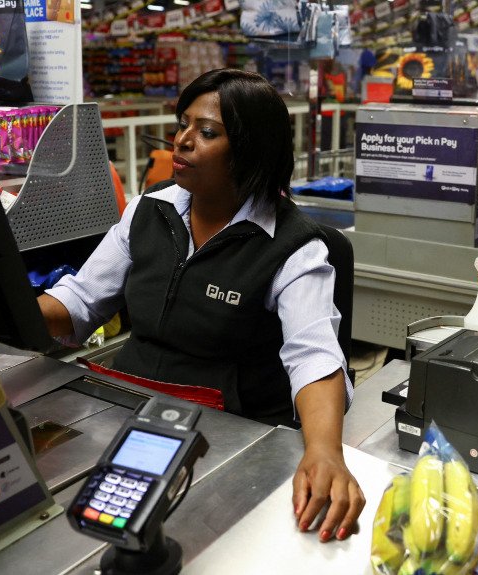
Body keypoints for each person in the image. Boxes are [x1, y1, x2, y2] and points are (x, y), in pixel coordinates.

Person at [38, 69, 365, 542]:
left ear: (251, 150)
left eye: (207, 132)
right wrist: (2, 310)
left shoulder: (292, 247)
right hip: (129, 411)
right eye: (182, 125)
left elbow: (313, 356)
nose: (183, 142)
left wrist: (325, 452)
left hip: (226, 431)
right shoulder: (148, 211)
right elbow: (81, 302)